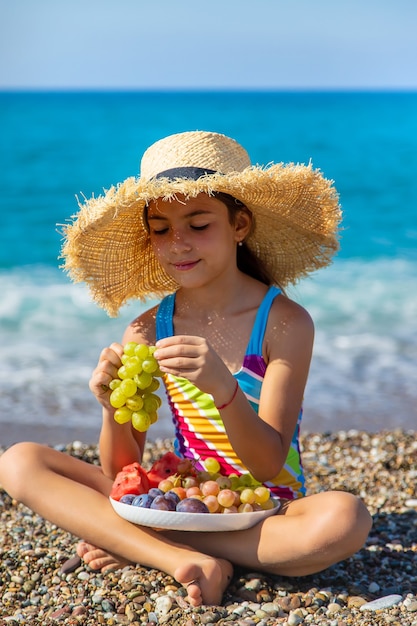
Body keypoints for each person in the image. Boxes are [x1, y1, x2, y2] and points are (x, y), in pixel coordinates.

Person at [0, 130, 372, 607]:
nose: (178, 243)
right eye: (161, 228)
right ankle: (187, 559)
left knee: (346, 519)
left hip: (267, 511)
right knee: (19, 461)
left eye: (199, 224)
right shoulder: (149, 327)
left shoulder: (283, 323)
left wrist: (224, 390)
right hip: (177, 499)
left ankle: (146, 546)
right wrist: (109, 408)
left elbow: (268, 462)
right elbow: (122, 473)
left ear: (240, 225)